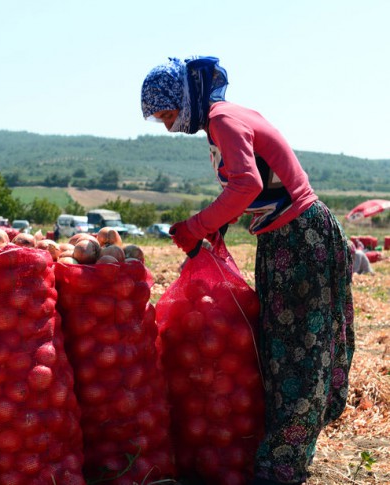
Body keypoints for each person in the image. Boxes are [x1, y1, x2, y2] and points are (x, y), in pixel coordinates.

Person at [141, 56, 354, 485]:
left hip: (300, 240)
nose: (167, 126)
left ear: (183, 98)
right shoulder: (223, 120)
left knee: (297, 353)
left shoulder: (222, 120)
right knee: (280, 347)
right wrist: (217, 226)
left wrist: (197, 225)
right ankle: (284, 453)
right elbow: (255, 191)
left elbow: (248, 185)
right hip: (281, 239)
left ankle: (281, 465)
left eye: (167, 114)